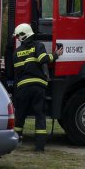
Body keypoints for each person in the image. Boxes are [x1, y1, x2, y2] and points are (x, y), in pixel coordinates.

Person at [12, 23, 63, 151]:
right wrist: (56, 54)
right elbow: (43, 60)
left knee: (20, 115)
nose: (18, 38)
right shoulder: (38, 46)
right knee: (39, 115)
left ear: (23, 36)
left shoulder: (17, 52)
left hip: (22, 88)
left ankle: (16, 142)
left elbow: (16, 73)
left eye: (18, 36)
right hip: (37, 87)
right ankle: (39, 147)